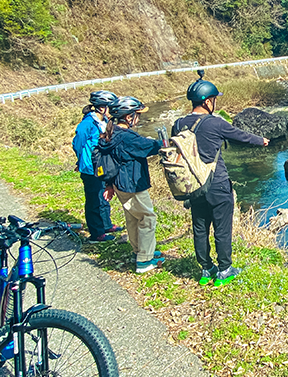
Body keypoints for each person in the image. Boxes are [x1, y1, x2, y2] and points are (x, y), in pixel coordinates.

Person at [172, 79, 269, 286]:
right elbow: (240, 136)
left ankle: (206, 269)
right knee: (222, 228)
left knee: (200, 227)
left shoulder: (178, 124)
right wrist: (261, 140)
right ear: (207, 102)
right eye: (214, 99)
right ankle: (225, 270)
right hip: (217, 184)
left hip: (193, 185)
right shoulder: (215, 122)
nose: (215, 103)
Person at [102, 96, 165, 273]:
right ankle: (145, 260)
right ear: (129, 117)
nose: (139, 118)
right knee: (147, 218)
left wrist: (108, 184)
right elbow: (149, 147)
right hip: (132, 184)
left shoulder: (112, 132)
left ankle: (140, 251)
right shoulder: (126, 137)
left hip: (119, 184)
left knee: (133, 217)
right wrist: (169, 143)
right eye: (137, 115)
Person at [72, 90, 124, 243]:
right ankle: (96, 233)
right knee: (94, 199)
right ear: (101, 108)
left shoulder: (102, 121)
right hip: (90, 168)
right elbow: (78, 142)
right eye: (110, 107)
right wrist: (81, 160)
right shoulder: (88, 123)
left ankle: (106, 225)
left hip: (100, 166)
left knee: (103, 196)